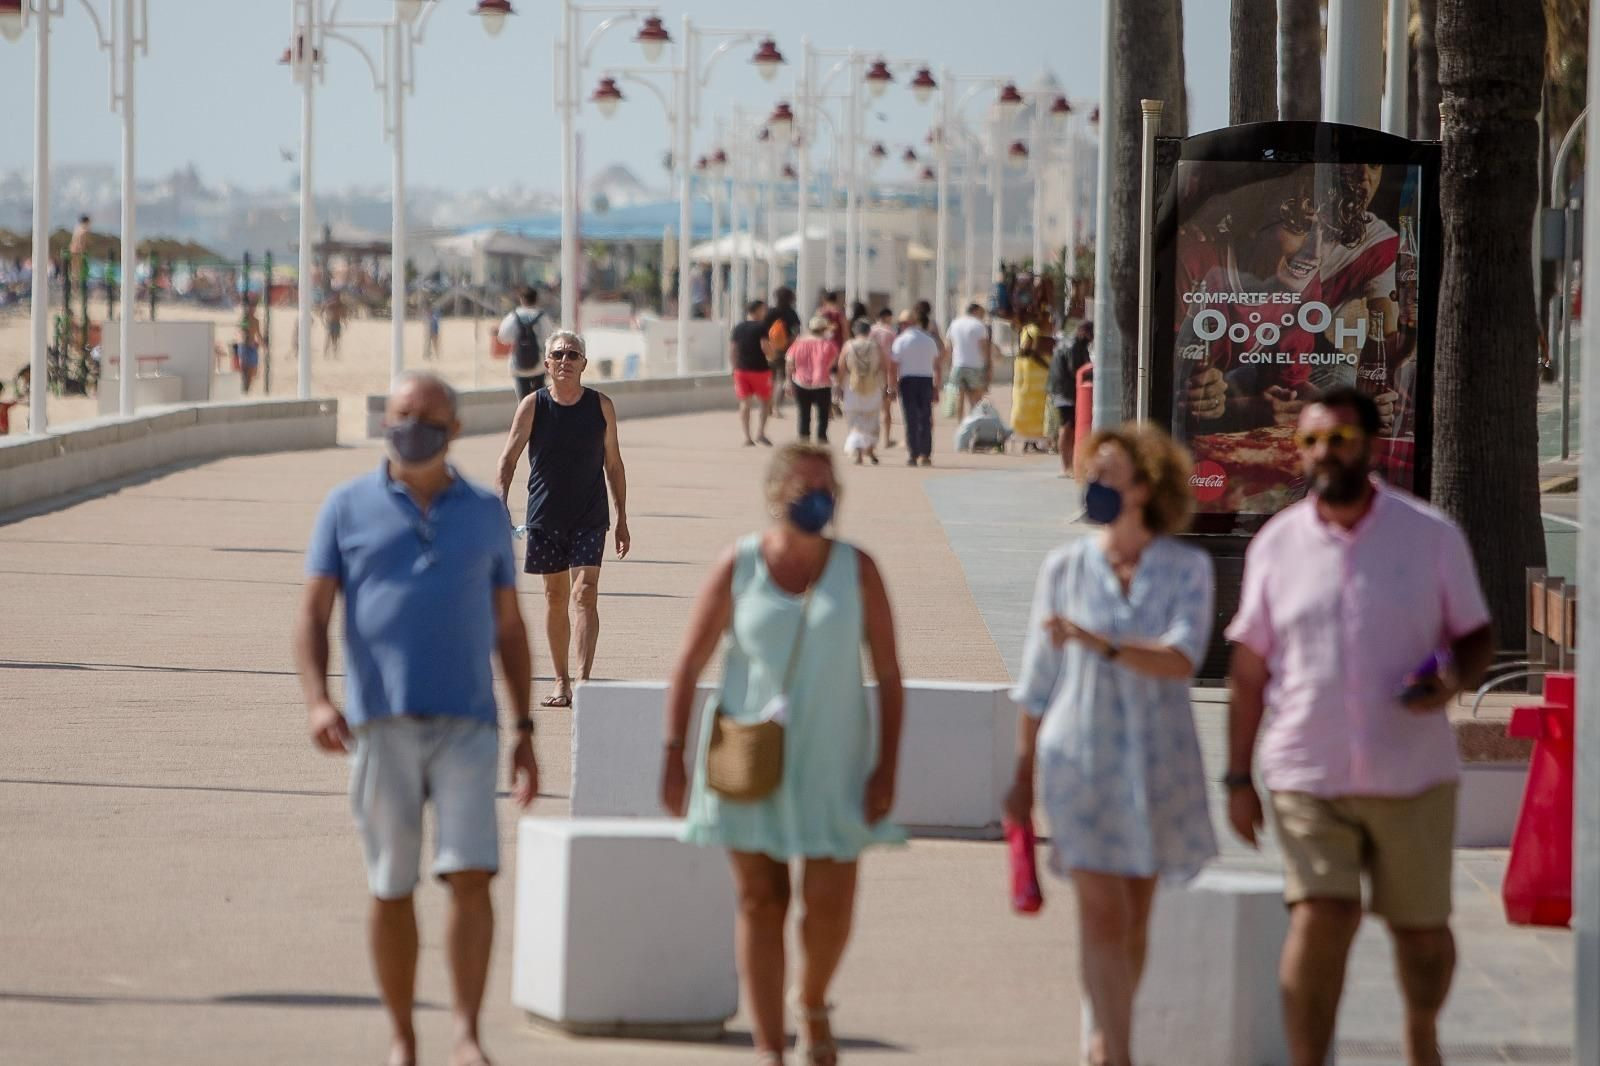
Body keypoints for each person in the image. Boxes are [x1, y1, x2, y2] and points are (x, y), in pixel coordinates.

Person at [1224, 387, 1495, 1066]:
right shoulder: (1276, 545)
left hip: (1412, 772)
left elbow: (1476, 637)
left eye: (1339, 440)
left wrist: (1451, 681)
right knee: (1321, 917)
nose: (1323, 454)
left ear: (1369, 447)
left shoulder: (1430, 535)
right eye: (1311, 442)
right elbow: (1249, 672)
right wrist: (1236, 777)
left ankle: (1421, 1034)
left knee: (1423, 937)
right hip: (1306, 771)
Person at [294, 371, 539, 1066]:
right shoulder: (346, 508)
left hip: (469, 725)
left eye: (431, 417)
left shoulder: (487, 513)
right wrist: (318, 700)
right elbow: (312, 616)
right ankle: (403, 1038)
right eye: (403, 414)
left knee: (471, 876)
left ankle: (465, 1033)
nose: (415, 426)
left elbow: (510, 630)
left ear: (456, 429)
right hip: (380, 726)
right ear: (384, 423)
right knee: (391, 883)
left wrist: (525, 731)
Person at [660, 442, 906, 1066]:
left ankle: (814, 1002)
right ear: (773, 494)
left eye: (826, 488)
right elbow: (688, 663)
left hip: (834, 761)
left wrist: (888, 767)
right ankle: (770, 1049)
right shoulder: (738, 564)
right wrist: (672, 752)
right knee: (760, 901)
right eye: (802, 488)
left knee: (829, 903)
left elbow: (891, 674)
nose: (815, 498)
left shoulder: (860, 569)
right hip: (749, 758)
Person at [1005, 423, 1217, 1066]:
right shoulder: (1065, 567)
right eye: (1090, 475)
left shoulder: (1188, 568)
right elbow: (1037, 681)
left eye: (1109, 475)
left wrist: (1099, 641)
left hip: (1159, 762)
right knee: (1100, 913)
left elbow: (1182, 657)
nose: (1095, 485)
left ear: (1145, 487)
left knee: (1134, 917)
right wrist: (1020, 775)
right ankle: (1113, 1051)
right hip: (1080, 757)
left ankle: (1106, 1034)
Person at [494, 330, 631, 710]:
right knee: (555, 598)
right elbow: (508, 459)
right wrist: (500, 500)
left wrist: (621, 517)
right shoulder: (533, 405)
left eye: (573, 354)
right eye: (559, 354)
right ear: (546, 363)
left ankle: (584, 682)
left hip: (590, 514)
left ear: (584, 363)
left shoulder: (601, 406)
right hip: (545, 515)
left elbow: (614, 464)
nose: (566, 361)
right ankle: (561, 679)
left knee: (584, 594)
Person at [890, 308, 941, 467]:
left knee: (911, 418)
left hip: (908, 380)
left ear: (905, 324)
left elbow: (893, 365)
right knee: (925, 417)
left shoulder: (901, 340)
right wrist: (937, 387)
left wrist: (891, 386)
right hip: (926, 380)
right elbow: (937, 366)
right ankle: (925, 454)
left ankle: (913, 454)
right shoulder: (929, 340)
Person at [839, 318, 888, 466]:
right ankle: (871, 450)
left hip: (852, 386)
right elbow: (884, 366)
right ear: (869, 331)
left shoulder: (848, 345)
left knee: (854, 420)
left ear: (855, 331)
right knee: (872, 420)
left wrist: (839, 385)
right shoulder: (876, 346)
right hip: (873, 385)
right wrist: (885, 385)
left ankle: (858, 452)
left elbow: (841, 366)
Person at [786, 314, 840, 445]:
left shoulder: (798, 343)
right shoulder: (828, 344)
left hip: (800, 381)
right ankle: (821, 437)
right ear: (823, 329)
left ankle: (804, 438)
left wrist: (788, 381)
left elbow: (790, 363)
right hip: (822, 382)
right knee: (823, 413)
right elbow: (833, 363)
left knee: (804, 412)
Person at [1049, 321, 1093, 475]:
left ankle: (1069, 465)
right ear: (1083, 332)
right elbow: (1077, 370)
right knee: (1067, 428)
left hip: (1062, 391)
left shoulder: (1068, 343)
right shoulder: (1073, 346)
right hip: (1066, 392)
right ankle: (1067, 466)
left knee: (1069, 427)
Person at [732, 299, 775, 447]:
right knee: (765, 401)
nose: (766, 312)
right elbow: (764, 346)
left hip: (741, 370)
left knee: (745, 403)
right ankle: (760, 433)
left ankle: (747, 437)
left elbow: (733, 350)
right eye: (764, 309)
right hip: (760, 370)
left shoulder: (738, 327)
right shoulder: (762, 327)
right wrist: (772, 355)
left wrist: (734, 367)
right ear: (757, 311)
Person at [498, 287, 553, 402]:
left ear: (521, 299)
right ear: (536, 299)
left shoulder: (513, 316)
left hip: (518, 365)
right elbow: (550, 338)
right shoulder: (542, 317)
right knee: (540, 401)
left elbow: (503, 337)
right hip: (539, 365)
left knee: (523, 402)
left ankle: (526, 419)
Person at [945, 303, 993, 420]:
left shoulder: (954, 324)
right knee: (976, 400)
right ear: (976, 311)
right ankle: (974, 425)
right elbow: (984, 348)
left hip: (957, 365)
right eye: (982, 313)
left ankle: (961, 426)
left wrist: (949, 365)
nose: (983, 316)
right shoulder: (979, 325)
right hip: (976, 366)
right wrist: (988, 367)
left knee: (959, 398)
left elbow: (948, 346)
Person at [1011, 324, 1054, 451]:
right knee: (1024, 418)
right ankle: (1027, 443)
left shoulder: (1045, 358)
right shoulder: (1021, 358)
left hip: (1039, 395)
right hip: (1024, 395)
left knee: (1039, 420)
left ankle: (1035, 443)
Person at [765, 288, 802, 417]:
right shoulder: (792, 313)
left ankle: (767, 405)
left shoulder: (770, 312)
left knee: (770, 378)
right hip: (786, 349)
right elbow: (796, 332)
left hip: (770, 349)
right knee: (782, 378)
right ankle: (776, 407)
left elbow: (762, 330)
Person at [869, 307, 899, 449]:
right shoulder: (891, 333)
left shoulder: (870, 331)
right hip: (886, 372)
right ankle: (886, 440)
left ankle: (870, 438)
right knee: (886, 410)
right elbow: (894, 356)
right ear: (888, 317)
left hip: (870, 373)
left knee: (870, 408)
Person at [238, 297, 263, 394]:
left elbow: (258, 334)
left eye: (254, 308)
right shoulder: (245, 318)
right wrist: (246, 340)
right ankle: (244, 389)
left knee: (253, 370)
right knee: (245, 369)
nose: (252, 309)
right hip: (245, 346)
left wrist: (262, 343)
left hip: (253, 347)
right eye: (251, 307)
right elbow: (242, 331)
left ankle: (246, 389)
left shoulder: (256, 321)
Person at [323, 294, 345, 359]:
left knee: (335, 340)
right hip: (331, 323)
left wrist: (345, 321)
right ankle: (325, 353)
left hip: (337, 323)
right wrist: (324, 320)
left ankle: (335, 354)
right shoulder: (330, 305)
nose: (337, 300)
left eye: (338, 298)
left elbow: (343, 314)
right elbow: (323, 309)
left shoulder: (341, 305)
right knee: (328, 338)